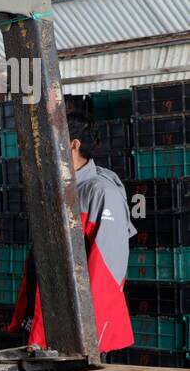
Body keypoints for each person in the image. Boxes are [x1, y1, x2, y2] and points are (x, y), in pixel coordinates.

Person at [10, 111, 135, 352]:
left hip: (78, 333)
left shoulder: (100, 193)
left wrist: (87, 335)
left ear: (73, 144)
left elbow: (107, 270)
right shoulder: (58, 187)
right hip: (45, 316)